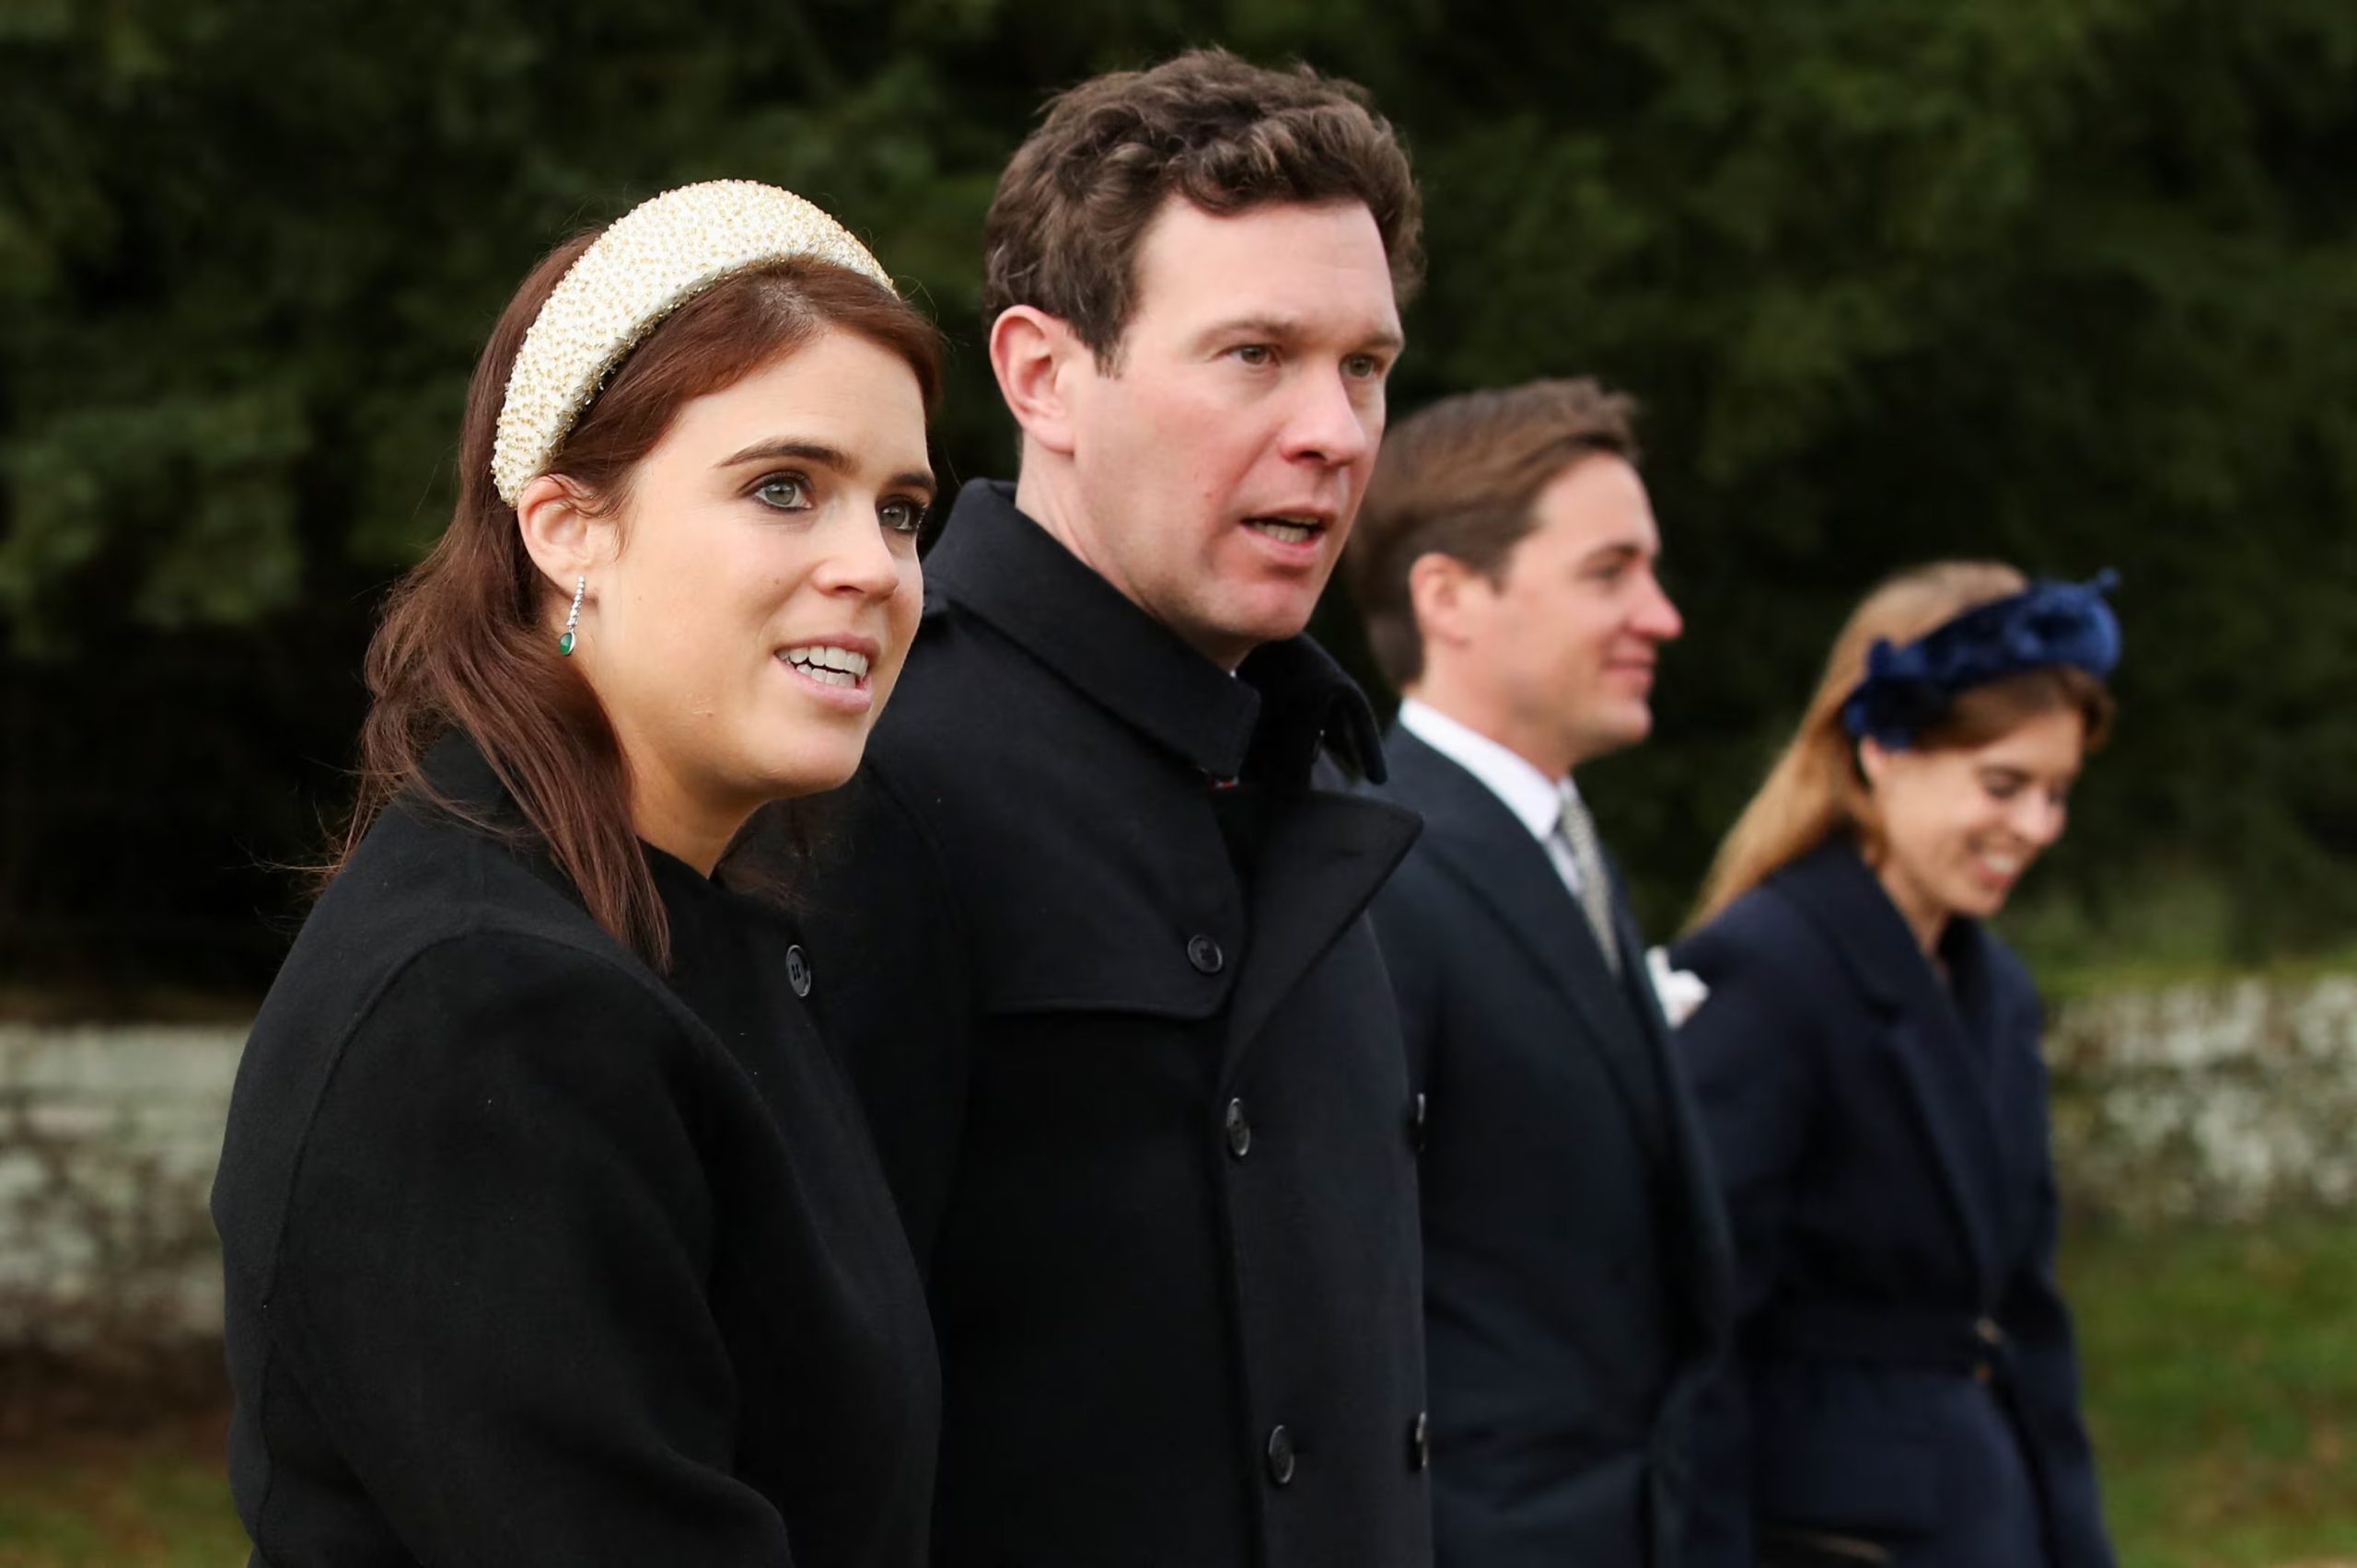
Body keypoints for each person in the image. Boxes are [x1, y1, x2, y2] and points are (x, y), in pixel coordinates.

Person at [759, 48, 1433, 1568]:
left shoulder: (1309, 767)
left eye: (1364, 365)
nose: (1334, 430)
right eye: (1256, 354)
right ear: (1043, 376)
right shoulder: (877, 772)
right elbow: (794, 1426)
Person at [210, 181, 946, 1568]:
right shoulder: (483, 1006)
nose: (874, 567)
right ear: (563, 527)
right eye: (783, 487)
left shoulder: (684, 928)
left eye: (901, 509)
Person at [1341, 378, 1734, 1567]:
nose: (1662, 615)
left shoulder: (1569, 851)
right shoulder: (1377, 872)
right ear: (1450, 596)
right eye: (1609, 572)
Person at [1671, 563, 2121, 1568]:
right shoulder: (1768, 969)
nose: (2036, 826)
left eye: (2055, 792)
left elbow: (2030, 1315)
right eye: (2002, 785)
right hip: (1828, 1535)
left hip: (1993, 1514)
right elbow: (1701, 1333)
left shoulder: (1993, 986)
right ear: (1881, 747)